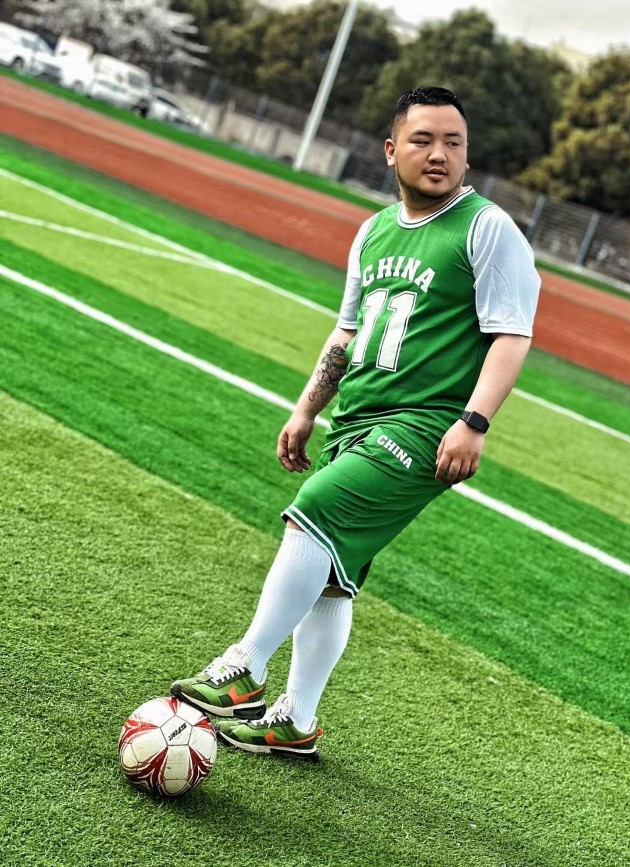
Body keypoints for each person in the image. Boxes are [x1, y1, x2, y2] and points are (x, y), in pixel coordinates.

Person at [171, 86, 541, 760]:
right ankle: (296, 721)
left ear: (467, 155)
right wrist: (307, 408)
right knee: (333, 575)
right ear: (391, 149)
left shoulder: (487, 228)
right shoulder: (373, 232)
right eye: (424, 139)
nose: (439, 154)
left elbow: (512, 334)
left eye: (453, 142)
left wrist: (474, 421)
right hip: (355, 419)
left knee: (314, 510)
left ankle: (245, 666)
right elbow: (348, 330)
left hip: (425, 423)